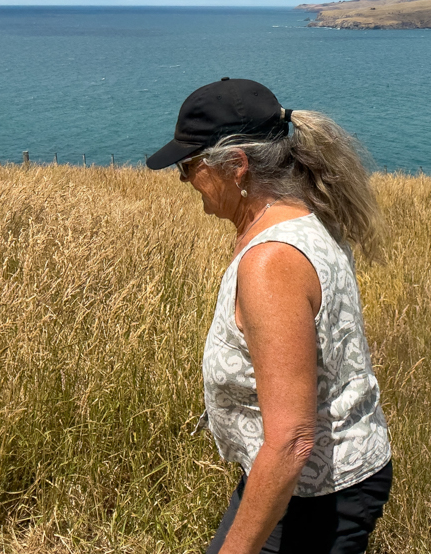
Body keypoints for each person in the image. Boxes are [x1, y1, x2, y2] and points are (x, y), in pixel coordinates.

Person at [146, 78, 391, 554]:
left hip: (315, 491)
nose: (183, 179)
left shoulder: (270, 262)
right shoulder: (302, 216)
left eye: (188, 165)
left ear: (237, 166)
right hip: (304, 480)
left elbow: (293, 439)